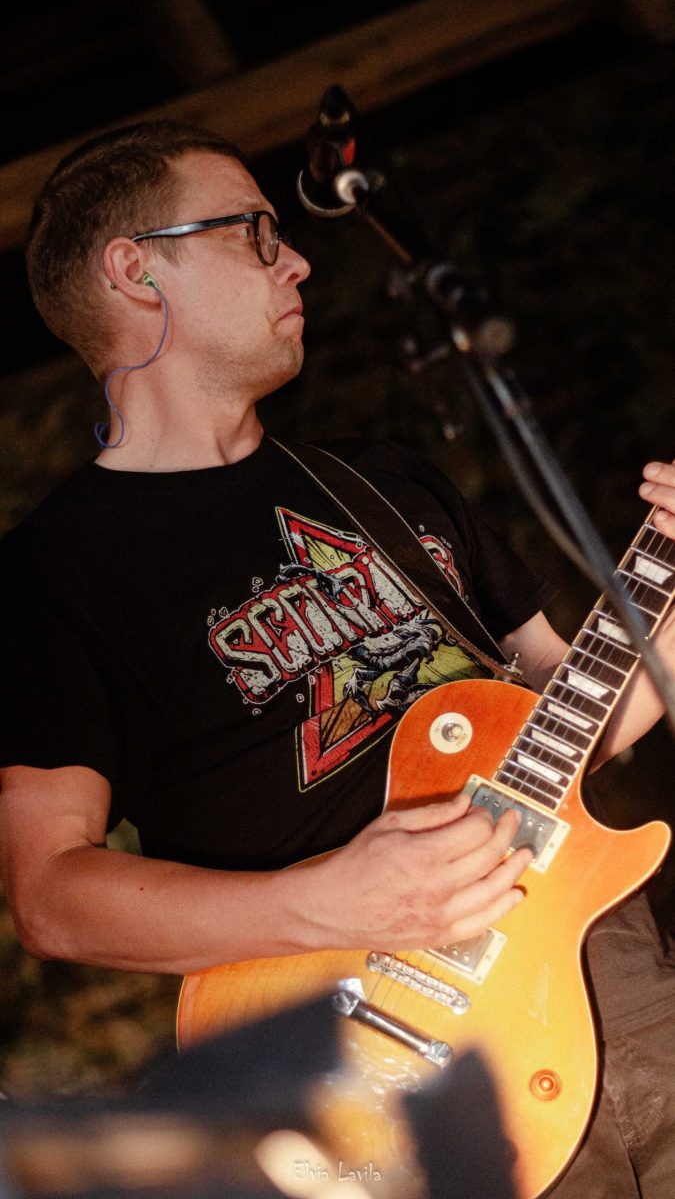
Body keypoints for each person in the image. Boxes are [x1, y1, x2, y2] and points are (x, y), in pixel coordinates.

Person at [0, 120, 673, 1195]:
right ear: (136, 270)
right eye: (255, 233)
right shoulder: (51, 575)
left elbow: (578, 716)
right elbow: (52, 894)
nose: (300, 261)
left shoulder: (384, 482)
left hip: (615, 978)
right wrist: (330, 903)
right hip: (380, 1057)